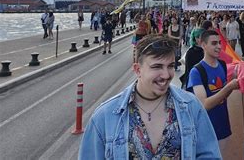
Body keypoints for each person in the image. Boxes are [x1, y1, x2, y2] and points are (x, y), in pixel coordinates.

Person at [79, 35, 221, 159]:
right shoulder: (105, 116)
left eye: (171, 66)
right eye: (157, 67)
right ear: (137, 70)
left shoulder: (191, 106)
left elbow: (209, 155)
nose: (166, 75)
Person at [187, 30, 239, 153]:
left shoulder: (222, 64)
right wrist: (229, 87)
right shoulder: (196, 71)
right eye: (214, 43)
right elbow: (204, 105)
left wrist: (232, 81)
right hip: (206, 130)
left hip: (223, 126)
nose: (219, 47)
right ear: (203, 45)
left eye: (220, 43)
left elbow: (223, 96)